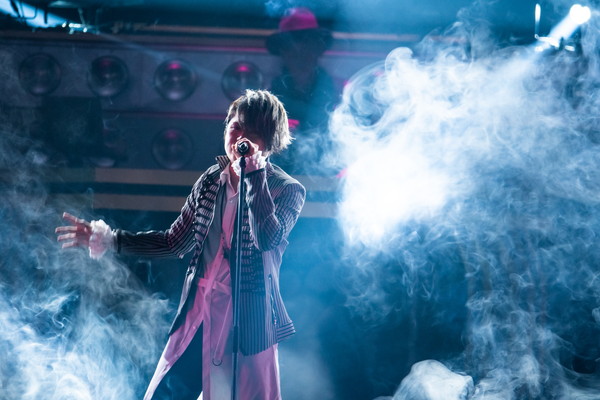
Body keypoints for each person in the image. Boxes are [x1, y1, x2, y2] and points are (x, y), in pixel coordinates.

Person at [55, 89, 306, 400]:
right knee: (167, 393)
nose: (241, 137)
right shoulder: (211, 181)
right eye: (235, 127)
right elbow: (174, 242)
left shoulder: (287, 190)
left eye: (252, 131)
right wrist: (110, 238)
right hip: (200, 310)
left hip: (248, 320)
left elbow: (267, 239)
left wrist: (254, 178)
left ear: (269, 141)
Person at [266, 7, 341, 174]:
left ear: (318, 48)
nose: (300, 49)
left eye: (308, 42)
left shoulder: (339, 93)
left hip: (326, 176)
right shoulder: (267, 99)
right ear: (282, 50)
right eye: (292, 43)